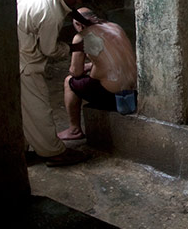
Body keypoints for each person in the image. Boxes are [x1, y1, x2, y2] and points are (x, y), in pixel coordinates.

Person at [17, 0, 90, 166]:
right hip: (25, 60)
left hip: (17, 39)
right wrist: (74, 48)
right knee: (38, 108)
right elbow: (49, 50)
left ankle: (24, 150)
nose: (78, 1)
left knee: (24, 109)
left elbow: (67, 7)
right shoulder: (51, 16)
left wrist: (81, 18)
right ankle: (53, 153)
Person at [57, 8, 137, 141]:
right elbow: (112, 60)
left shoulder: (81, 36)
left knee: (69, 81)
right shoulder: (115, 27)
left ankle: (74, 129)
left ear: (79, 24)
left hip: (111, 95)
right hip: (132, 90)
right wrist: (91, 65)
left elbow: (76, 72)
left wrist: (82, 67)